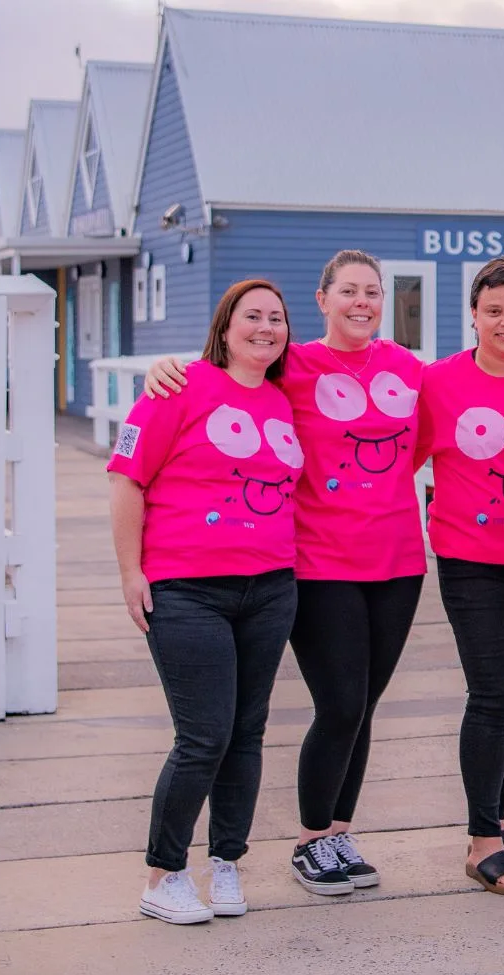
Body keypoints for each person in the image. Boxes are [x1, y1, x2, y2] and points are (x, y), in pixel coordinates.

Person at [144, 250, 426, 896]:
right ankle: (308, 839)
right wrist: (172, 365)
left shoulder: (410, 371)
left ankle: (336, 832)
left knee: (365, 707)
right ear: (322, 300)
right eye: (348, 290)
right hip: (320, 563)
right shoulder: (291, 367)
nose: (362, 302)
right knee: (341, 703)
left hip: (399, 565)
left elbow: (450, 416)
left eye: (372, 292)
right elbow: (232, 366)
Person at [109, 279, 302, 925]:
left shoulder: (283, 399)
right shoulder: (179, 386)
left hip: (271, 588)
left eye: (276, 318)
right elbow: (126, 476)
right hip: (188, 589)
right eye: (253, 316)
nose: (265, 327)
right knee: (204, 736)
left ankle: (225, 861)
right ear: (225, 327)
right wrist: (131, 571)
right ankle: (162, 874)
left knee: (247, 733)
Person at [415, 256, 504, 896]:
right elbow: (394, 454)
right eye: (494, 311)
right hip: (470, 560)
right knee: (492, 692)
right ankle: (480, 844)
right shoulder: (437, 384)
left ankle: (495, 821)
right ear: (472, 316)